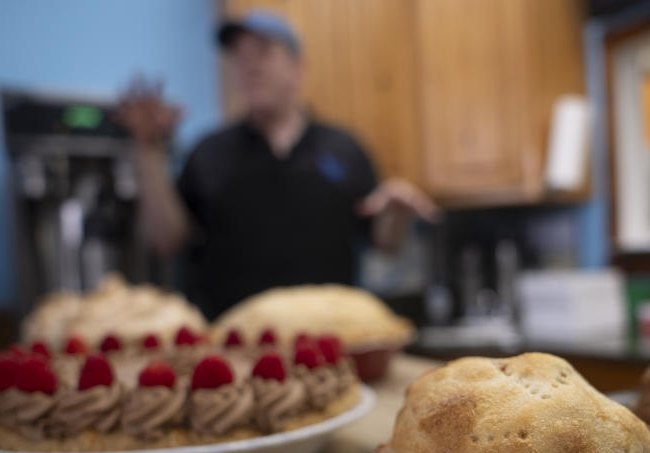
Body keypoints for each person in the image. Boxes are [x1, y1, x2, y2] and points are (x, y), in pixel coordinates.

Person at [117, 10, 440, 319]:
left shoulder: (344, 149)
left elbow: (385, 243)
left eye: (263, 52)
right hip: (234, 349)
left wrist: (396, 213)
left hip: (332, 344)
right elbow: (166, 241)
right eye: (240, 58)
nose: (250, 66)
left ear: (297, 69)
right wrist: (147, 151)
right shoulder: (209, 152)